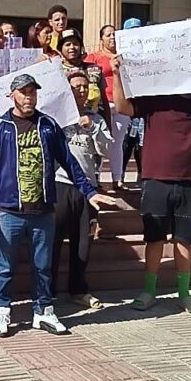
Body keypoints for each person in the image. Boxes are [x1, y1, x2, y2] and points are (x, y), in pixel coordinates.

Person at [0, 74, 114, 337]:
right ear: (11, 95)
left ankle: (43, 311)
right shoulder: (1, 126)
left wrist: (89, 191)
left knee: (43, 266)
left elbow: (68, 161)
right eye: (23, 92)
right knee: (5, 266)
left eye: (32, 92)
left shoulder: (48, 125)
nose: (28, 97)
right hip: (10, 210)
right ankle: (2, 311)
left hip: (43, 210)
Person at [113, 51, 191, 315]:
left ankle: (184, 294)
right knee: (154, 238)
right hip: (155, 179)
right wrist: (116, 74)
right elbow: (123, 107)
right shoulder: (155, 97)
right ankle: (150, 291)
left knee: (185, 239)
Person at [51, 71, 113, 309]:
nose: (81, 90)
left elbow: (107, 150)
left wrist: (93, 129)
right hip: (60, 184)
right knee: (53, 241)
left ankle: (78, 290)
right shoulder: (55, 117)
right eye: (76, 86)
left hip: (88, 188)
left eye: (85, 86)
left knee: (82, 244)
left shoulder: (96, 119)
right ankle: (47, 292)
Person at [84, 24, 130, 191]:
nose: (112, 38)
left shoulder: (125, 56)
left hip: (121, 103)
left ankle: (117, 179)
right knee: (99, 141)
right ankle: (96, 178)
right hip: (101, 105)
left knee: (117, 143)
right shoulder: (93, 57)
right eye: (108, 35)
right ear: (101, 39)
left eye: (114, 34)